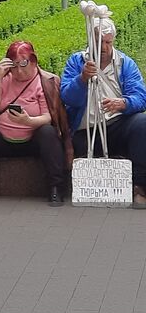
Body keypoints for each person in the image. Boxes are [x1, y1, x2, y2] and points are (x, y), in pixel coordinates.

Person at [0, 41, 71, 206]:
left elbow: (49, 116)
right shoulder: (2, 77)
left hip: (32, 138)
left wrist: (28, 121)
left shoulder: (46, 80)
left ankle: (55, 187)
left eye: (23, 65)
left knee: (49, 133)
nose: (19, 71)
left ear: (33, 61)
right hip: (2, 138)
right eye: (14, 66)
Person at [60, 19, 146, 206]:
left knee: (142, 123)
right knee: (77, 147)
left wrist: (123, 103)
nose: (105, 47)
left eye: (109, 42)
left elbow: (141, 97)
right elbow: (67, 97)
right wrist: (81, 79)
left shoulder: (125, 63)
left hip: (116, 126)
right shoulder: (76, 61)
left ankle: (140, 186)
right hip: (86, 129)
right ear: (92, 40)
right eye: (101, 42)